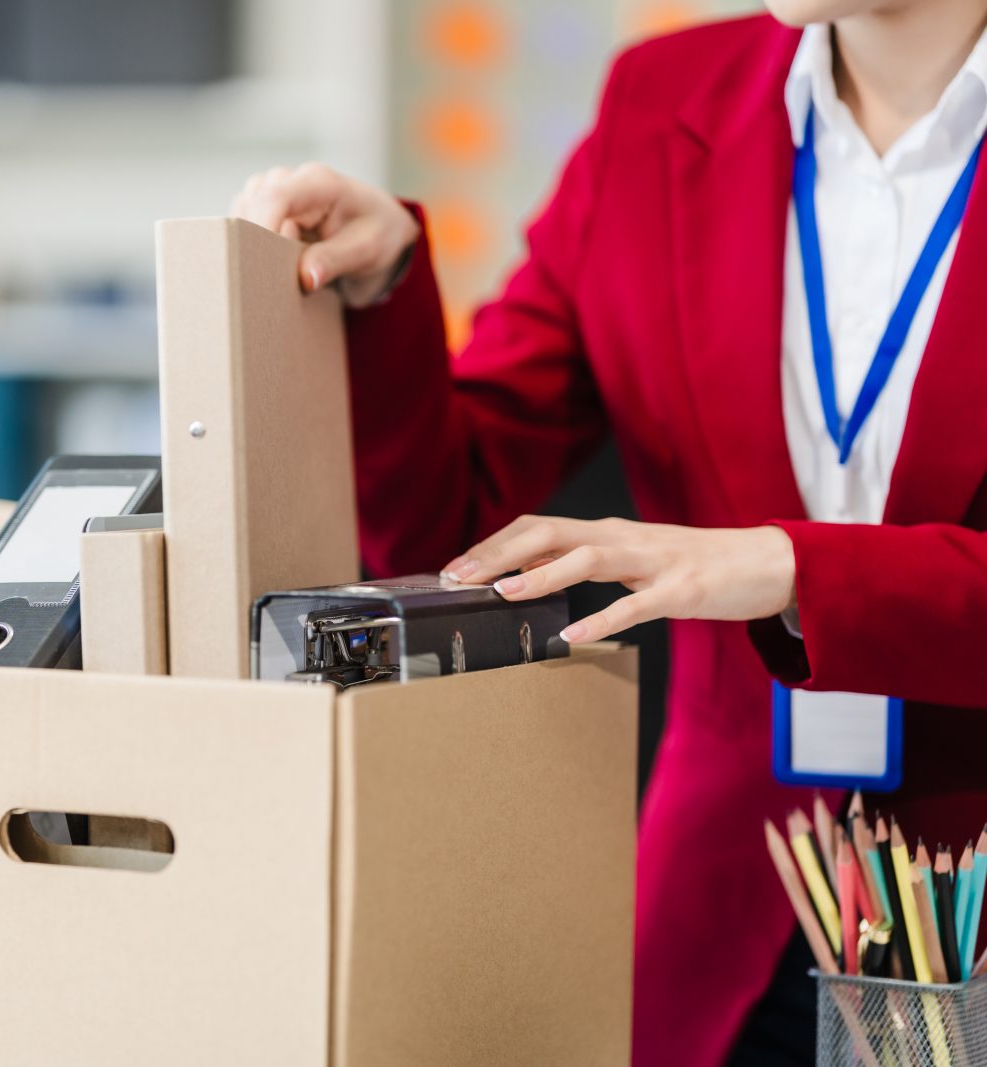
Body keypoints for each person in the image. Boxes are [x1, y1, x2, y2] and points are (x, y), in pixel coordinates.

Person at [232, 1, 987, 1063]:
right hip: (726, 911)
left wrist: (786, 566)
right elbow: (460, 524)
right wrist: (387, 281)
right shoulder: (662, 100)